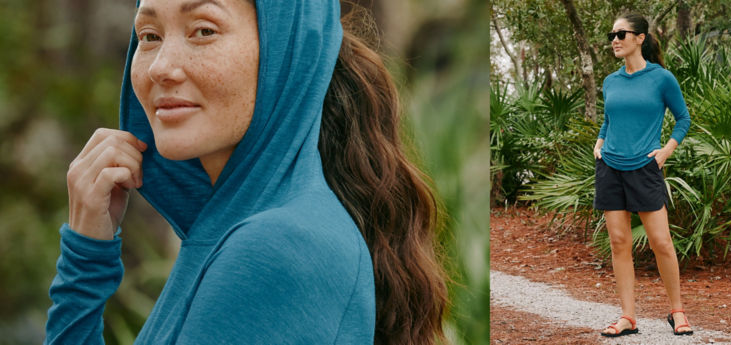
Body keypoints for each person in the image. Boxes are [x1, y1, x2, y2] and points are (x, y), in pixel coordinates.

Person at [44, 0, 448, 344]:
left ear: (285, 49)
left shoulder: (277, 246)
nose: (160, 67)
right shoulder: (240, 229)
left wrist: (85, 266)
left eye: (203, 30)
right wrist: (87, 253)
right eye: (149, 36)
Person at [593, 12, 692, 337]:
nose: (615, 40)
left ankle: (677, 311)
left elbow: (683, 119)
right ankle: (628, 317)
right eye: (612, 35)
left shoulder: (661, 78)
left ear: (640, 38)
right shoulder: (611, 81)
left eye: (622, 34)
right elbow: (609, 118)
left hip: (645, 168)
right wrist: (600, 140)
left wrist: (666, 151)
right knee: (619, 242)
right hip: (610, 167)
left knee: (661, 242)